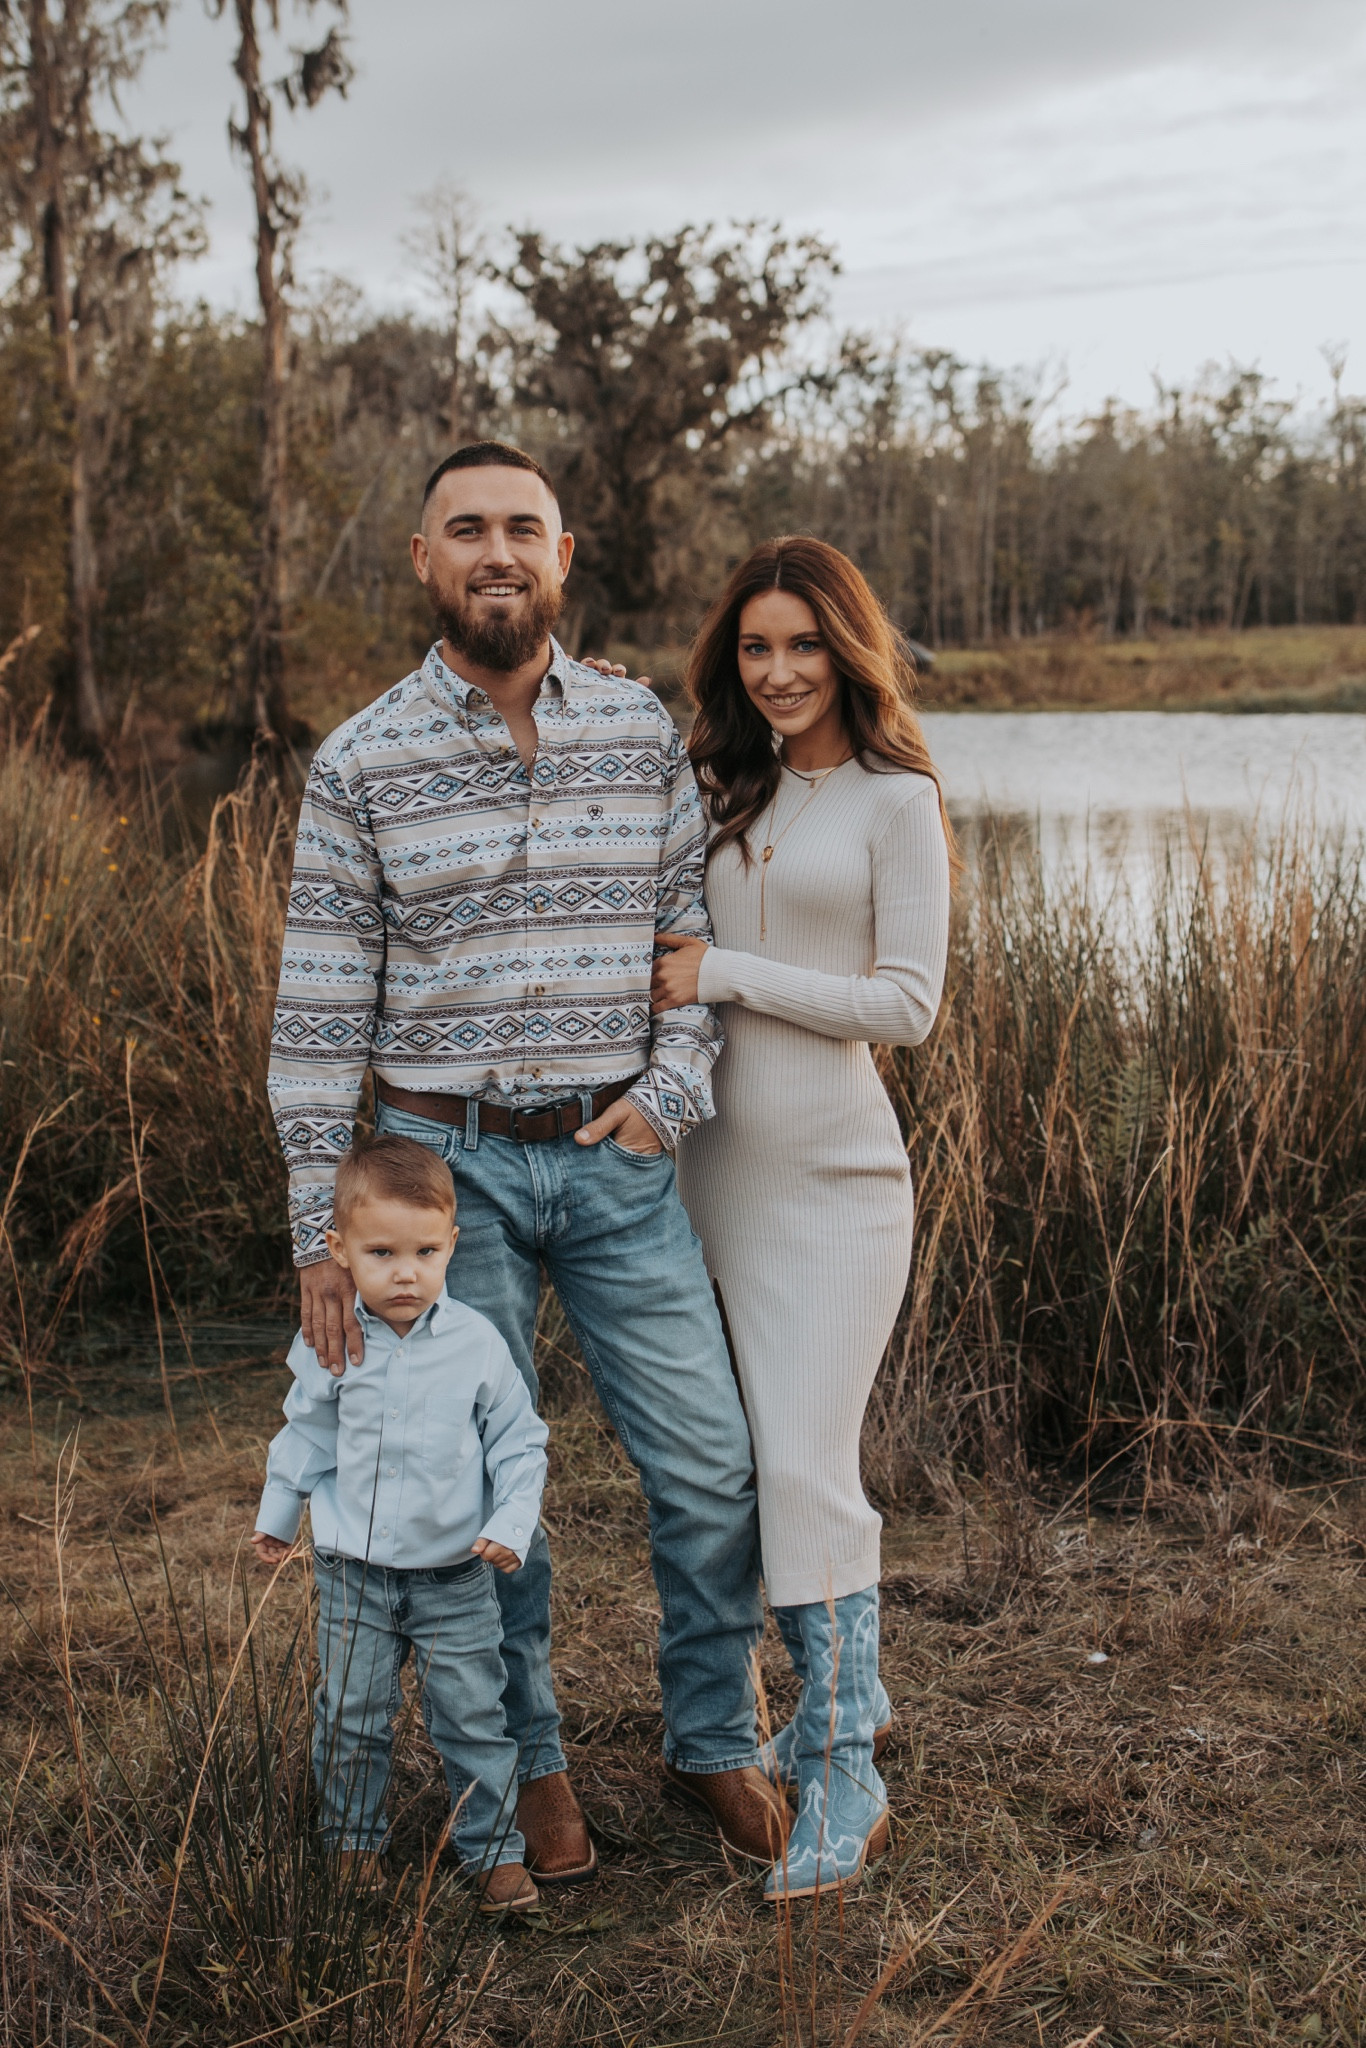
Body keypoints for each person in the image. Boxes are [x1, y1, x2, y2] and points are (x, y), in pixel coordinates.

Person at [266, 441, 788, 1883]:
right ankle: (530, 1763)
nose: (495, 551)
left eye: (521, 528)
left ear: (561, 556)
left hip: (618, 1159)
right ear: (423, 559)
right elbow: (316, 1021)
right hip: (445, 1173)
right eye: (465, 529)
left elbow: (686, 944)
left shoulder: (636, 729)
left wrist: (667, 1096)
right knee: (483, 1483)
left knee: (709, 1465)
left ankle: (713, 1738)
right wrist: (320, 1234)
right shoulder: (359, 761)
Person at [650, 535, 953, 1903]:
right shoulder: (724, 786)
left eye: (804, 645)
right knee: (741, 1465)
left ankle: (843, 1773)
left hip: (835, 1186)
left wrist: (728, 971)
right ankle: (849, 1696)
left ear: (849, 648)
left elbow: (906, 1005)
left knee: (804, 1470)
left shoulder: (897, 800)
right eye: (755, 647)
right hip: (708, 1178)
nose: (779, 672)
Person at [251, 1134, 549, 1912]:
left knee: (474, 1716)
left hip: (455, 1574)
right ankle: (352, 1843)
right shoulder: (332, 1341)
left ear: (451, 1244)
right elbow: (307, 1431)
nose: (406, 1272)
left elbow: (519, 1443)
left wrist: (512, 1521)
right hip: (354, 1573)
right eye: (381, 1253)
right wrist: (280, 1511)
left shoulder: (477, 1344)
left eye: (425, 1251)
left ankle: (492, 1850)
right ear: (339, 1250)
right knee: (351, 1713)